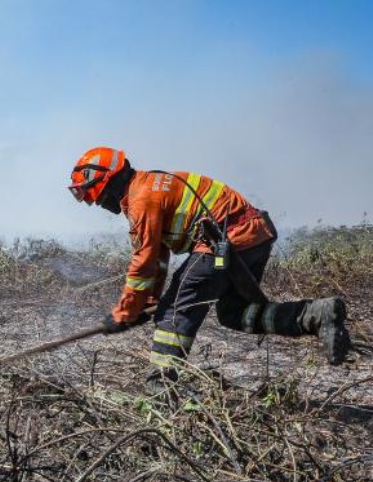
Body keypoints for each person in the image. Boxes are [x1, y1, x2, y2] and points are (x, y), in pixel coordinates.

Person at [67, 146, 350, 386]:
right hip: (254, 236)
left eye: (93, 194)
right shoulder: (146, 187)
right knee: (235, 313)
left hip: (225, 241)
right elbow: (159, 257)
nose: (96, 203)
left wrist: (124, 313)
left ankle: (160, 388)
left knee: (174, 309)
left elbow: (144, 262)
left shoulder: (142, 198)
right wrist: (145, 303)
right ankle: (315, 315)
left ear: (105, 181)